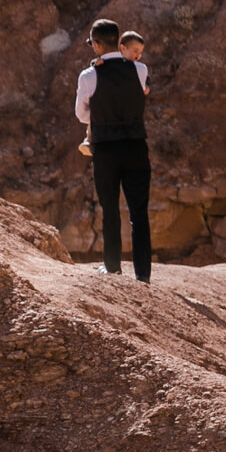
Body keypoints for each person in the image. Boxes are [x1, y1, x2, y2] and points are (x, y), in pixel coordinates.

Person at [75, 18, 153, 281]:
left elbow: (81, 114)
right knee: (139, 212)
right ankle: (143, 275)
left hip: (106, 149)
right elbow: (140, 93)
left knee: (110, 209)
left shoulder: (89, 75)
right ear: (119, 42)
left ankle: (113, 268)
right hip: (136, 147)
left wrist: (99, 116)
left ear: (96, 45)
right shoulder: (139, 69)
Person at [78, 32, 150, 159]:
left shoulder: (137, 69)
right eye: (135, 51)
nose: (138, 56)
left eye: (140, 53)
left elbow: (145, 84)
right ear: (122, 48)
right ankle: (90, 140)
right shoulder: (108, 64)